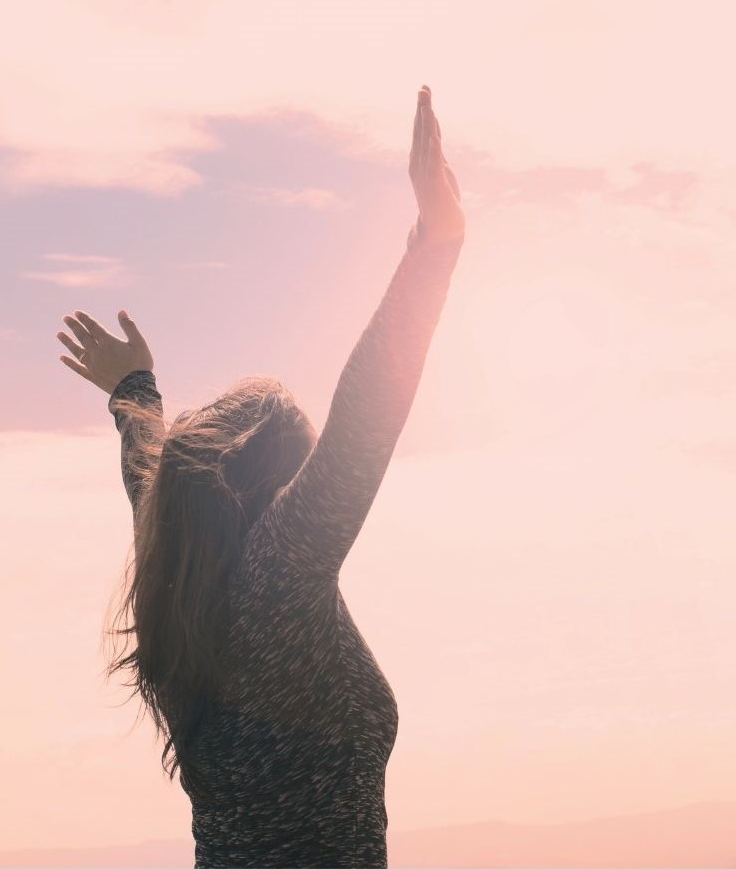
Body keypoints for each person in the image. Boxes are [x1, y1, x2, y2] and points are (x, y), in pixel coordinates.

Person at [55, 85, 466, 868]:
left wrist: (134, 393)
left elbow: (151, 482)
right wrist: (435, 246)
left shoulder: (180, 585)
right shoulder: (277, 578)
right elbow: (365, 419)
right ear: (277, 483)